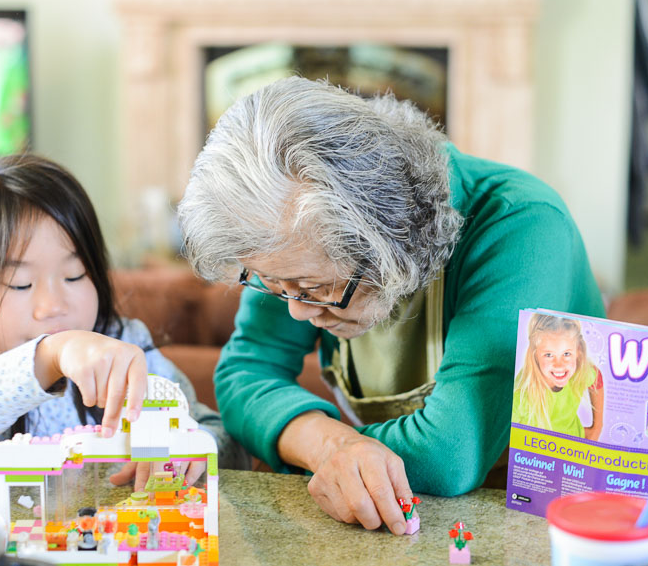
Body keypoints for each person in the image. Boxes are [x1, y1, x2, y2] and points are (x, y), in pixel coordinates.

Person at [177, 76, 605, 535]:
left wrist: (311, 443)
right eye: (273, 283)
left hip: (536, 519)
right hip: (399, 519)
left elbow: (449, 454)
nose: (297, 312)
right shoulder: (291, 233)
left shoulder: (522, 226)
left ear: (391, 243)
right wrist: (331, 446)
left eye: (311, 288)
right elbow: (244, 372)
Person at [0, 154, 247, 486]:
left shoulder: (125, 351)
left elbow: (225, 440)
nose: (53, 305)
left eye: (75, 275)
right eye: (20, 283)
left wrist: (190, 447)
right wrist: (48, 356)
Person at [511, 314, 605, 440]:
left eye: (566, 354)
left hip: (573, 447)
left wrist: (597, 427)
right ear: (535, 355)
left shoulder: (578, 371)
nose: (559, 365)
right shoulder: (521, 395)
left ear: (578, 351)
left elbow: (596, 377)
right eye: (549, 355)